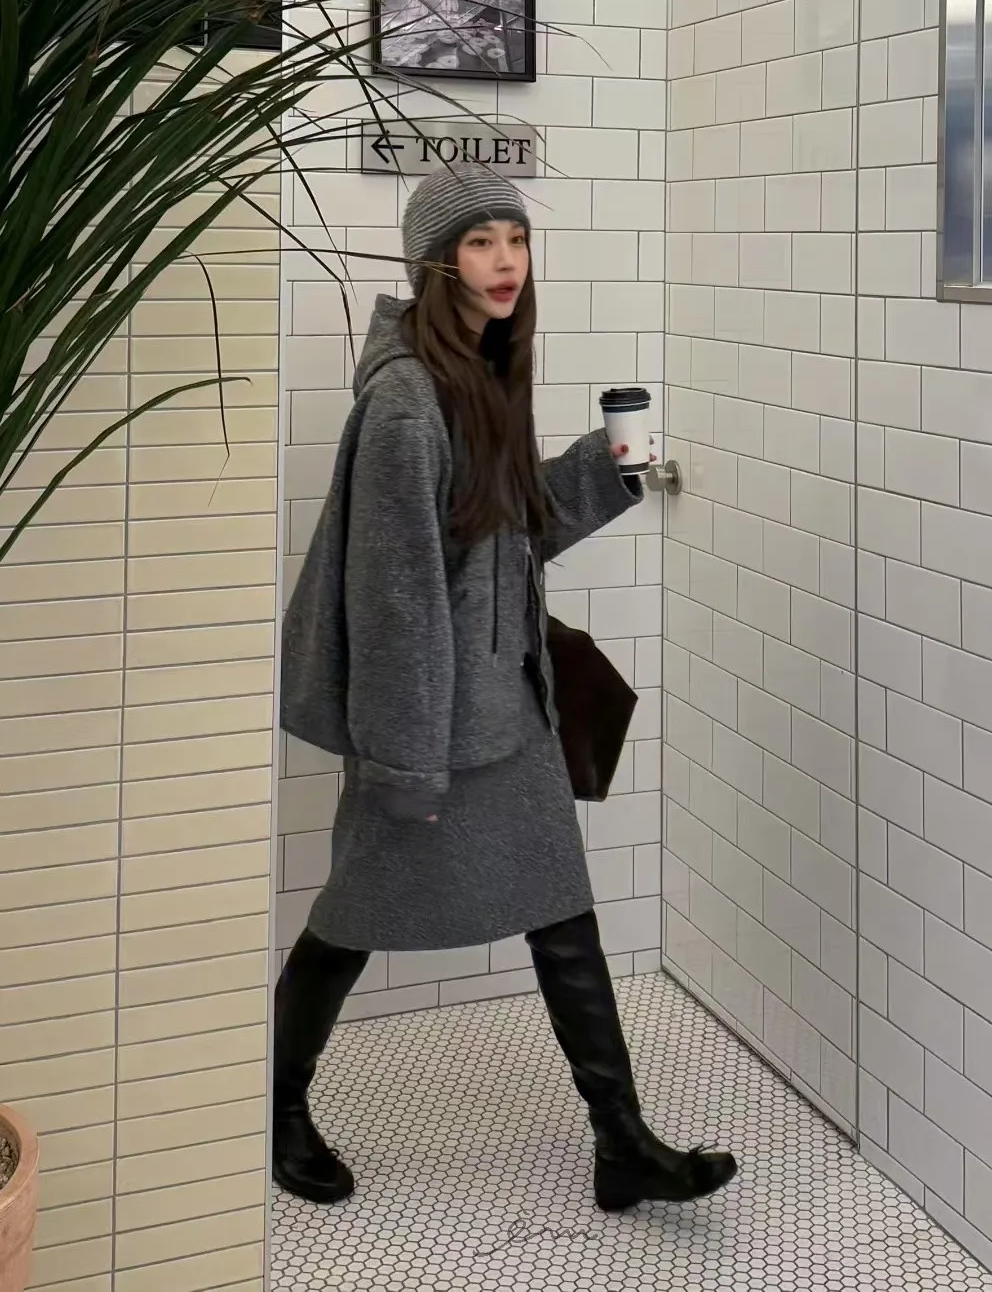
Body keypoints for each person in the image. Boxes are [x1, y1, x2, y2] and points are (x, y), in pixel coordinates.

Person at [274, 162, 739, 1215]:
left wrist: (607, 466)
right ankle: (277, 1106)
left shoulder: (481, 371)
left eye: (516, 240)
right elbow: (396, 599)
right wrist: (404, 761)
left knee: (562, 913)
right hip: (429, 723)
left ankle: (622, 1140)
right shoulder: (406, 403)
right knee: (352, 916)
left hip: (505, 704)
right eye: (480, 242)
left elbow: (506, 537)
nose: (505, 262)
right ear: (434, 263)